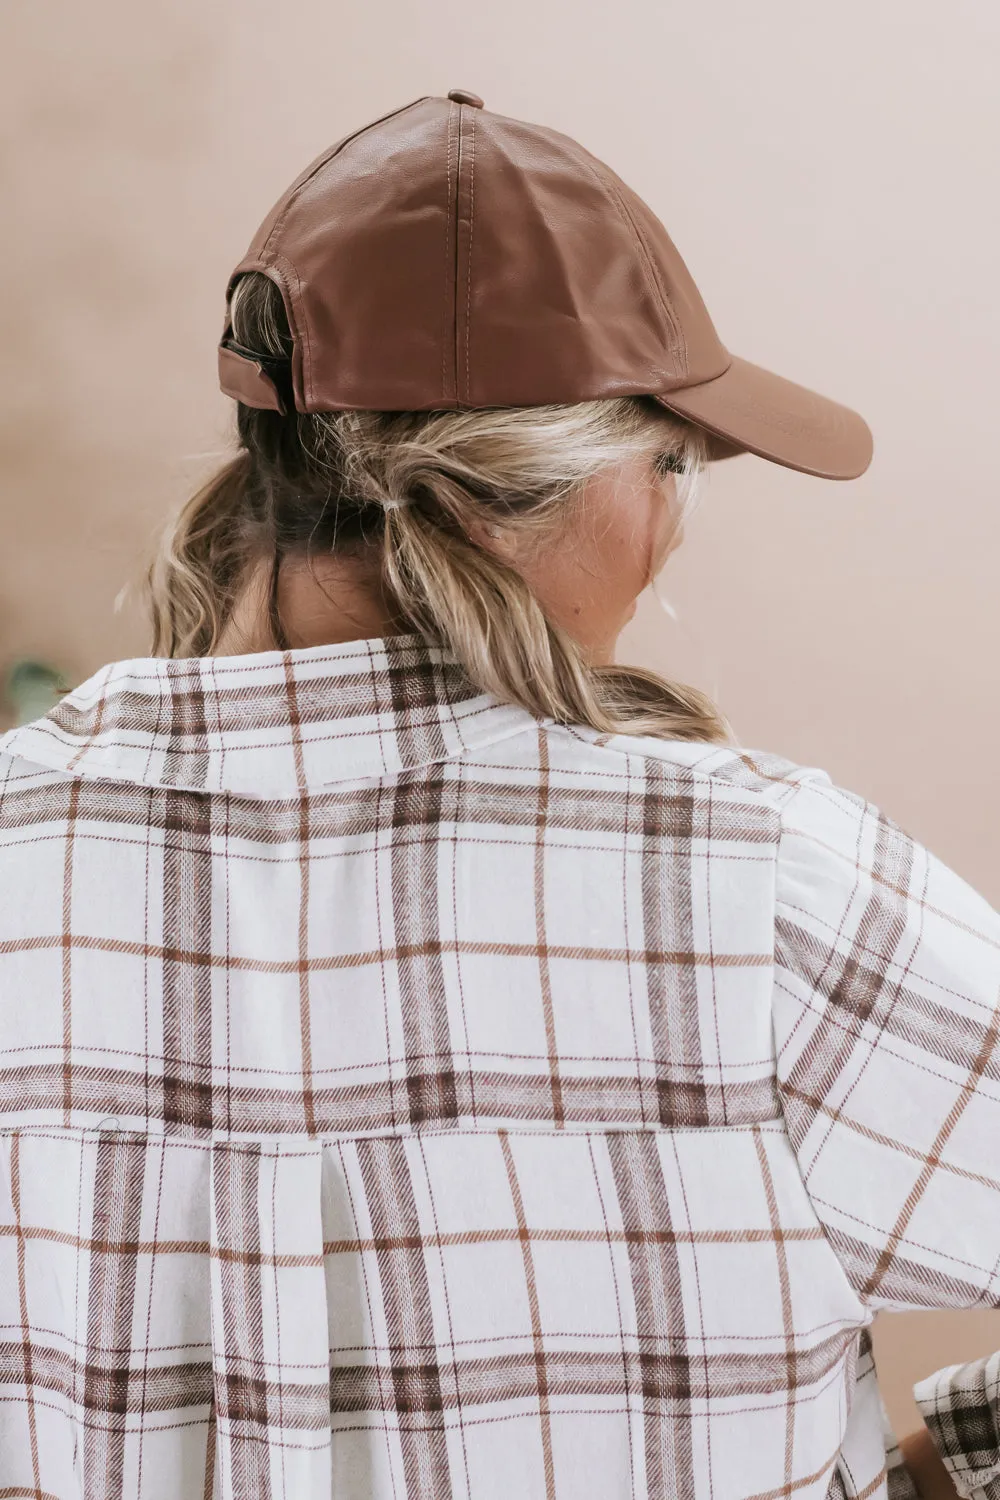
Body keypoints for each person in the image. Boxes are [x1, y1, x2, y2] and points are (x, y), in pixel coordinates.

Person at [1, 88, 997, 1500]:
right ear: (538, 489)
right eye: (673, 465)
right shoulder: (761, 887)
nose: (667, 528)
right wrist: (939, 1466)